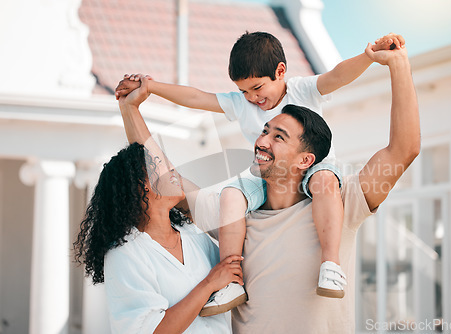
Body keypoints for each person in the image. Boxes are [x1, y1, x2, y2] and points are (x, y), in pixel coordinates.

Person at [116, 34, 419, 333]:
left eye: (279, 136)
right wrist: (131, 107)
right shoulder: (234, 214)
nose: (261, 140)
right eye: (264, 130)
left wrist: (397, 64)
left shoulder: (341, 203)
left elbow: (403, 150)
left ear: (306, 159)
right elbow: (160, 177)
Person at [73, 140, 244, 333]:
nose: (173, 170)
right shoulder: (125, 253)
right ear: (142, 184)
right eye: (161, 165)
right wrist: (209, 284)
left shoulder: (193, 236)